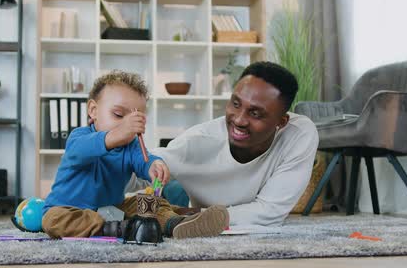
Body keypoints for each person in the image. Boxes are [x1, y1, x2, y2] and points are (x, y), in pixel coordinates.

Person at [42, 70, 229, 239]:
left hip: (112, 210)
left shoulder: (131, 146)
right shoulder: (79, 136)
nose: (127, 124)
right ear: (93, 110)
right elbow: (81, 151)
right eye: (118, 114)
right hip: (69, 210)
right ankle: (122, 228)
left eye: (134, 119)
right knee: (53, 220)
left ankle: (177, 224)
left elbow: (144, 161)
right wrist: (118, 133)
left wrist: (155, 166)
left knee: (149, 202)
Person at [152, 61, 319, 226]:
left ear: (282, 122)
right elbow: (146, 163)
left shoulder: (298, 134)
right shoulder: (197, 141)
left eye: (255, 113)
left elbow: (269, 213)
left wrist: (193, 215)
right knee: (170, 188)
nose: (239, 120)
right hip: (183, 192)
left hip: (197, 209)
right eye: (236, 104)